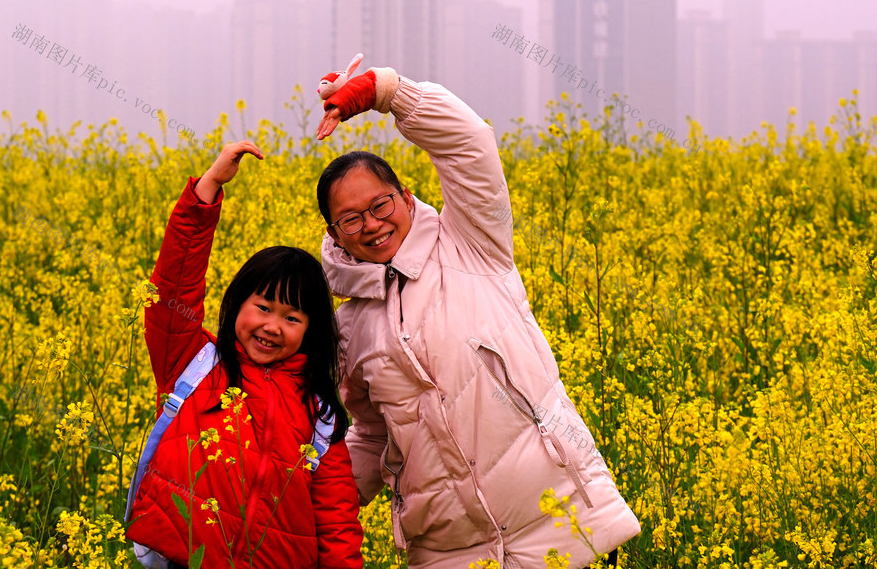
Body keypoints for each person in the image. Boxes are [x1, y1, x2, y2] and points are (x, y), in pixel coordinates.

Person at [314, 60, 641, 569]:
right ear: (335, 235)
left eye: (380, 206)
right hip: (448, 552)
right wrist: (304, 505)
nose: (371, 225)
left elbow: (469, 144)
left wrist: (388, 92)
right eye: (351, 219)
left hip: (564, 523)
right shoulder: (349, 328)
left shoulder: (471, 242)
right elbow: (374, 433)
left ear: (405, 196)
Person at [125, 141, 364, 569]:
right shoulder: (196, 365)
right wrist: (207, 190)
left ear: (312, 332)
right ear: (237, 304)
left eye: (293, 318)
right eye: (264, 307)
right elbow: (173, 288)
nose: (272, 326)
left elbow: (336, 519)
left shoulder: (320, 414)